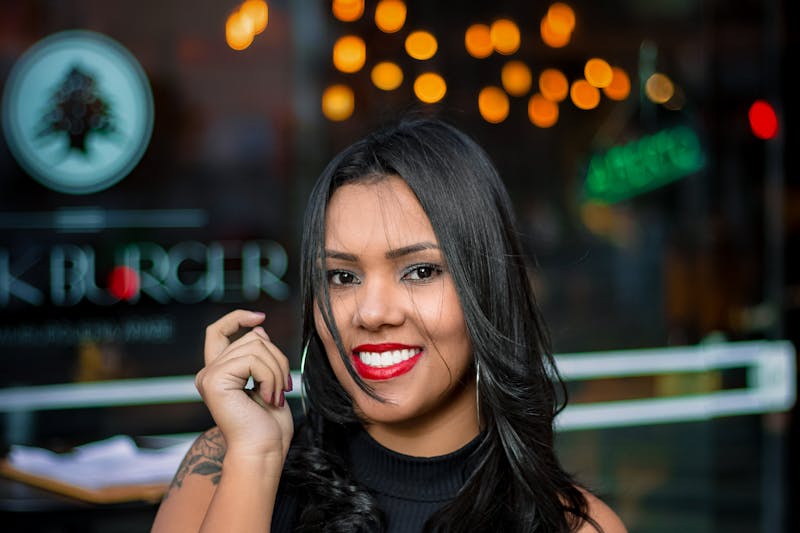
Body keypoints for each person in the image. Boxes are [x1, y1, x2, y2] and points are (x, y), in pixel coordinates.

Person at [151, 116, 627, 533]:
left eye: (420, 271)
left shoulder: (576, 526)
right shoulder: (223, 462)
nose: (372, 312)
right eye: (342, 276)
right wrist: (254, 461)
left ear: (486, 286)